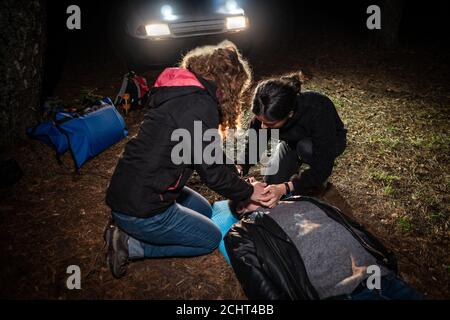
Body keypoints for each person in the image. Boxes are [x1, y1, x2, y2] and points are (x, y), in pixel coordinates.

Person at [104, 41, 270, 278]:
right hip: (141, 207)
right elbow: (211, 172)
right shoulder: (200, 107)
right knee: (210, 239)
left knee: (205, 211)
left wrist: (234, 174)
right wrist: (247, 192)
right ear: (229, 86)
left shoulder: (188, 94)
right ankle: (129, 243)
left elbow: (206, 149)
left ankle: (138, 226)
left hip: (133, 188)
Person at [226, 197, 424, 300]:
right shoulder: (242, 231)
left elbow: (353, 227)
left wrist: (385, 258)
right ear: (241, 208)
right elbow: (258, 284)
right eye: (250, 184)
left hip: (380, 275)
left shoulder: (301, 199)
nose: (257, 181)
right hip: (340, 292)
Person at [238, 72, 347, 208]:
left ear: (289, 114)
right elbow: (254, 146)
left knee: (306, 150)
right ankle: (294, 165)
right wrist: (241, 166)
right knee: (272, 183)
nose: (263, 127)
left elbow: (323, 166)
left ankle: (317, 183)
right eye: (260, 121)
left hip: (329, 141)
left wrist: (286, 187)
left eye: (270, 124)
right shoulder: (265, 113)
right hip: (292, 142)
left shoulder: (318, 109)